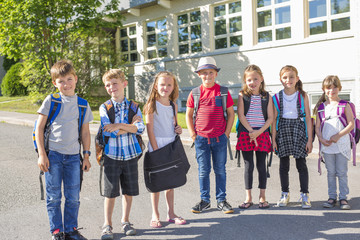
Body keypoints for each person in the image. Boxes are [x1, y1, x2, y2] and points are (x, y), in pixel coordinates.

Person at [36, 60, 93, 240]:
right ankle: (56, 231)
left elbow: (85, 132)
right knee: (53, 197)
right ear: (55, 83)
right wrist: (42, 155)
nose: (66, 84)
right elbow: (39, 128)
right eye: (61, 81)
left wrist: (86, 156)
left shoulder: (82, 104)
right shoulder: (51, 101)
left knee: (73, 197)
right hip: (53, 156)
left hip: (73, 158)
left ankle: (70, 229)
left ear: (76, 79)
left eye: (69, 79)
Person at [186, 56, 235, 214]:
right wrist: (193, 135)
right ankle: (205, 200)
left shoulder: (223, 92)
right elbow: (188, 115)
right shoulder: (194, 93)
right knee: (203, 171)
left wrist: (226, 134)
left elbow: (230, 114)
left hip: (219, 138)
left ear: (216, 73)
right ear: (199, 74)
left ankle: (221, 200)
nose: (208, 76)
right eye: (204, 73)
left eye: (211, 72)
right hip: (201, 139)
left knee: (220, 170)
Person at [99, 69, 145, 240]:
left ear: (124, 84)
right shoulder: (105, 107)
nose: (112, 87)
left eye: (115, 83)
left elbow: (140, 129)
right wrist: (129, 126)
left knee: (129, 191)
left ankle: (125, 221)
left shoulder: (134, 107)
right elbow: (107, 131)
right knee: (110, 193)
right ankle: (107, 225)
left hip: (131, 155)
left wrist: (118, 125)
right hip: (112, 156)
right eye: (108, 85)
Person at [144, 71, 187, 228]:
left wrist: (178, 129)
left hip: (170, 145)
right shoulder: (151, 105)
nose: (166, 87)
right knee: (156, 183)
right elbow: (150, 130)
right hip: (157, 146)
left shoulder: (173, 105)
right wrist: (156, 151)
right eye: (162, 84)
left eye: (169, 84)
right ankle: (155, 214)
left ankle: (171, 213)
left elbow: (173, 126)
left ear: (173, 86)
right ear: (156, 86)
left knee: (170, 182)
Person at [272, 65, 313, 209]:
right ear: (280, 80)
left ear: (297, 78)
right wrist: (273, 140)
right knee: (284, 165)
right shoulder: (276, 97)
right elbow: (273, 120)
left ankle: (305, 194)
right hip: (282, 130)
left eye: (291, 77)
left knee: (301, 164)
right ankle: (285, 193)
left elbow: (308, 118)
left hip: (299, 130)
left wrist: (309, 139)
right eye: (285, 77)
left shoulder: (302, 95)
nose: (288, 80)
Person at [236, 65, 273, 209]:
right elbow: (241, 114)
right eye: (249, 79)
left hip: (262, 134)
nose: (253, 82)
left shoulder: (266, 96)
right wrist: (251, 131)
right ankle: (248, 197)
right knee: (248, 165)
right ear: (245, 81)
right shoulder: (242, 95)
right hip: (247, 134)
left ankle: (262, 196)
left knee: (261, 165)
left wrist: (259, 132)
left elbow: (270, 117)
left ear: (261, 79)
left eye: (255, 79)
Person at [314, 75, 354, 210]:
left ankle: (343, 198)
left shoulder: (345, 105)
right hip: (327, 146)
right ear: (324, 90)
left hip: (341, 144)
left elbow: (351, 124)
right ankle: (332, 197)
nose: (332, 90)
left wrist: (338, 135)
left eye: (334, 87)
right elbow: (317, 127)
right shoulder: (321, 107)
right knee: (330, 172)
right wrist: (320, 138)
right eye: (328, 88)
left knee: (341, 172)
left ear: (340, 88)